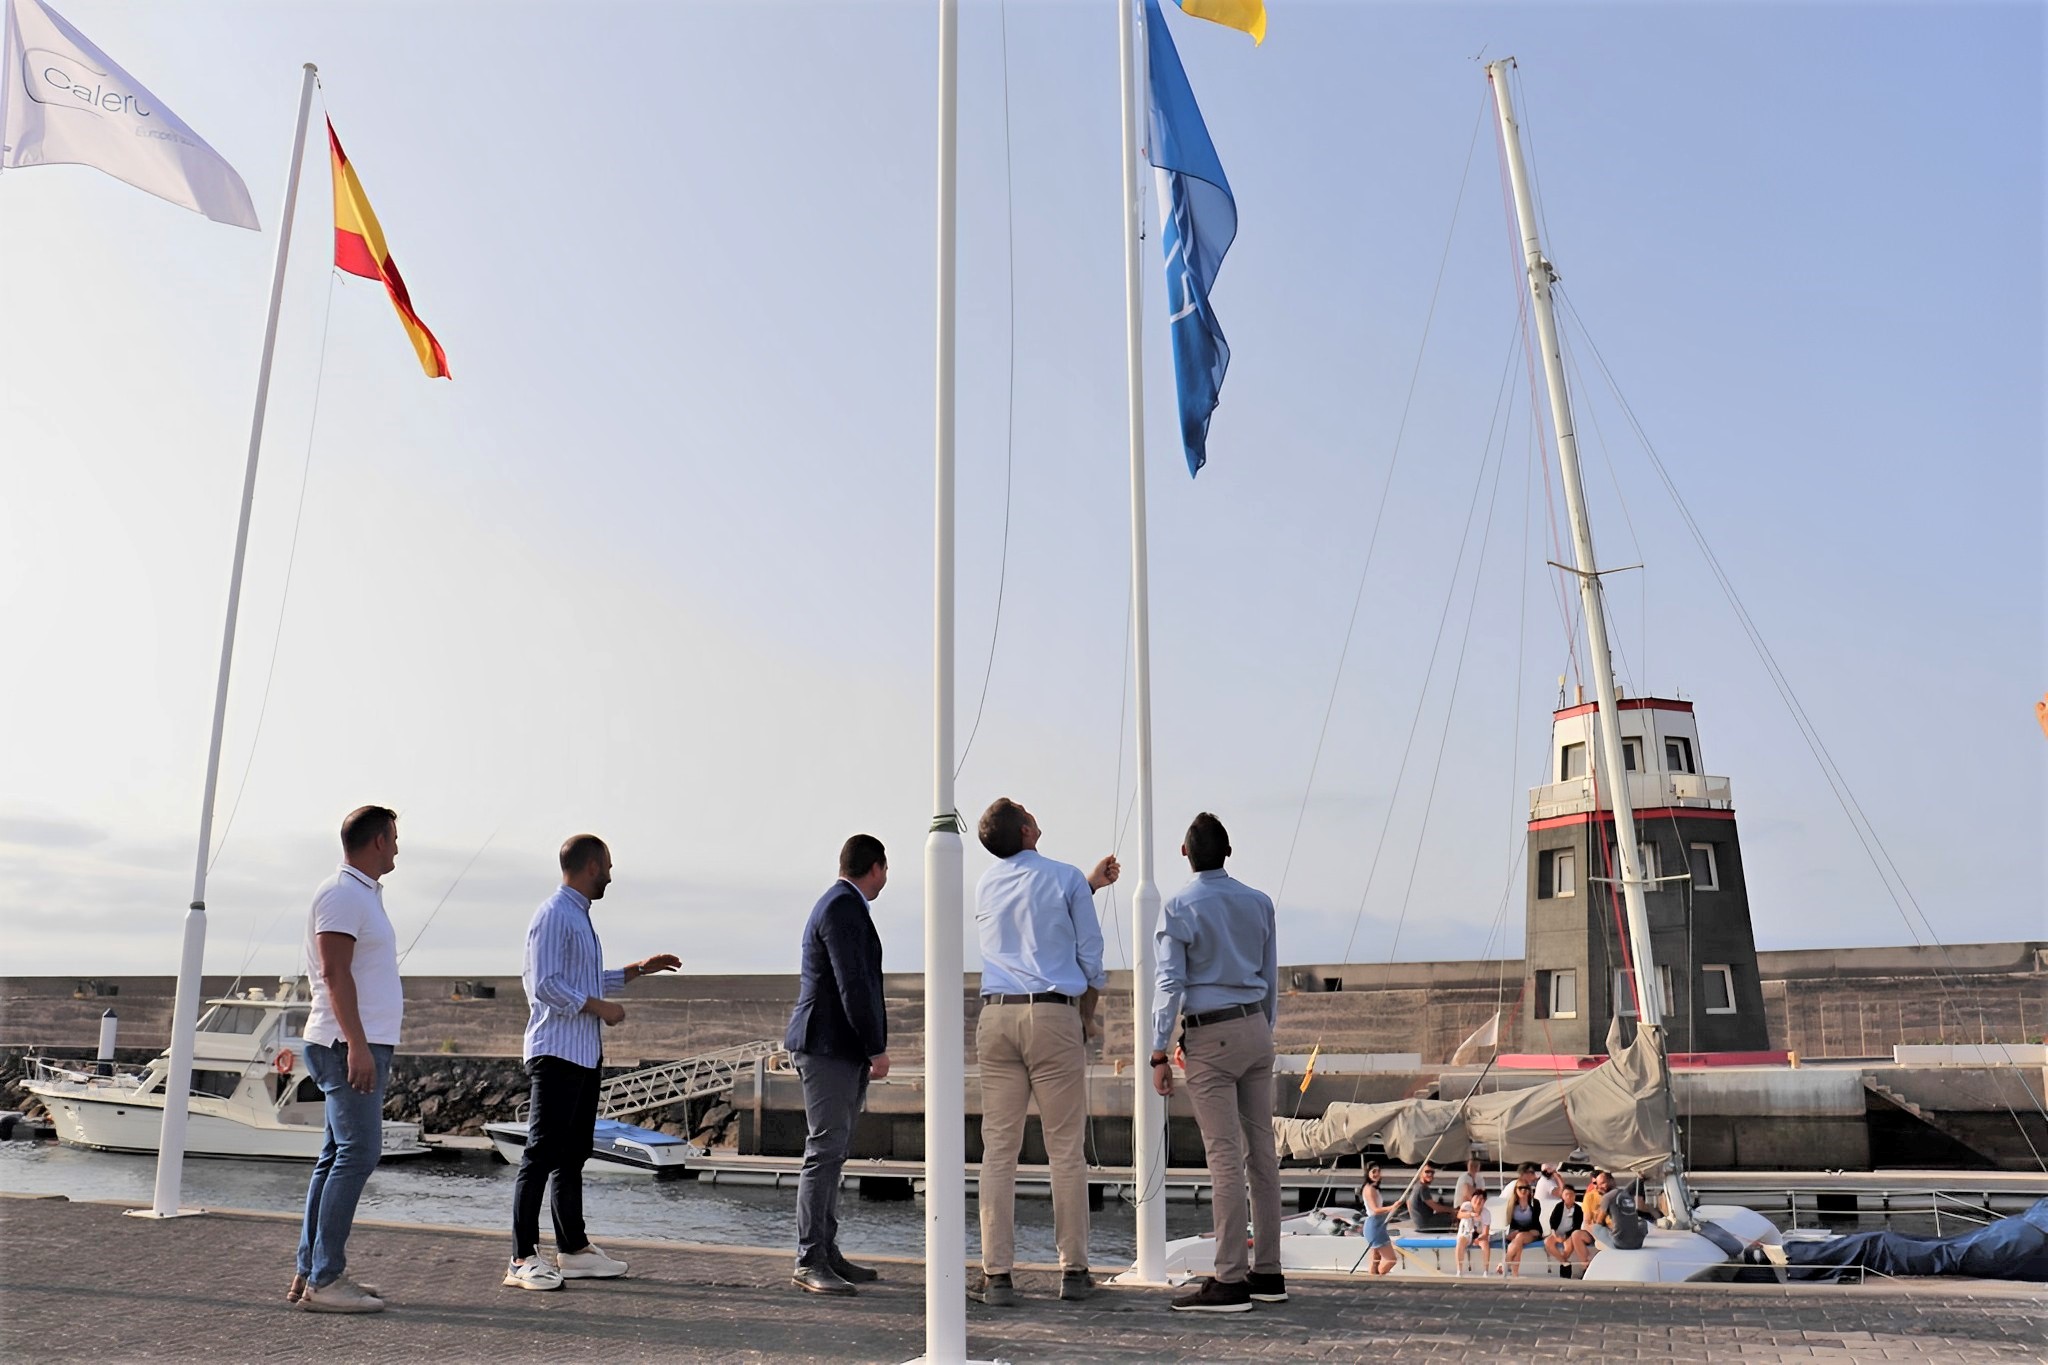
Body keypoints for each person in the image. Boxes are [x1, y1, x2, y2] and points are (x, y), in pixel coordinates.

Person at [504, 835, 679, 1291]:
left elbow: (586, 980)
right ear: (589, 866)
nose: (611, 874)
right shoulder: (553, 914)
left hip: (583, 1055)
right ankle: (522, 1257)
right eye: (607, 866)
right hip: (555, 1051)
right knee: (541, 1154)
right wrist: (599, 1008)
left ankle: (573, 1250)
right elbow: (544, 984)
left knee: (573, 1155)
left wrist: (639, 969)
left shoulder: (579, 918)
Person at [970, 798, 1118, 1307]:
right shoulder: (1066, 877)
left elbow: (1034, 915)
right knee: (1064, 1151)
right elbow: (1090, 959)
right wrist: (1086, 1013)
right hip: (1052, 1016)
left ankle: (997, 1276)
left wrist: (1089, 885)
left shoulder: (987, 884)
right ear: (1028, 829)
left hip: (995, 1015)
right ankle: (1073, 1272)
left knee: (999, 1153)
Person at [1148, 813, 1282, 1314]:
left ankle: (1229, 1281)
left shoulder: (1180, 906)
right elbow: (1269, 975)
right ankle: (1267, 1272)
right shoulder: (1259, 902)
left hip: (1211, 1036)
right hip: (1254, 1027)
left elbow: (1169, 985)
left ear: (1186, 852)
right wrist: (1261, 1030)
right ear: (1228, 852)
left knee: (1224, 1157)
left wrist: (1159, 1050)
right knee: (1262, 1154)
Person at [291, 806, 404, 1314]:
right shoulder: (341, 894)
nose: (399, 847)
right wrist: (357, 1044)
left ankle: (310, 1272)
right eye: (395, 838)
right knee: (358, 1155)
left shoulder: (360, 895)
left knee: (335, 1158)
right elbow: (336, 974)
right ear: (378, 841)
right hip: (345, 1044)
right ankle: (326, 1279)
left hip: (354, 1041)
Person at [784, 835, 892, 1296]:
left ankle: (826, 1251)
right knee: (825, 1149)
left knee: (834, 1151)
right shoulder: (842, 907)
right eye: (886, 870)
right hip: (827, 1045)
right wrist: (876, 1047)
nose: (887, 880)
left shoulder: (841, 905)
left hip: (835, 1046)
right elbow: (854, 985)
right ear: (876, 867)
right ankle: (809, 1259)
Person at [1545, 1179, 1596, 1276]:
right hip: (1557, 1232)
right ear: (1563, 1196)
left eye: (1571, 1194)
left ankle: (1565, 1269)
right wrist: (1554, 1232)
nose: (1569, 1197)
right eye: (1566, 1194)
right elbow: (1553, 1221)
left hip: (1569, 1234)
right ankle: (1564, 1263)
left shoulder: (1578, 1209)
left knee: (1567, 1248)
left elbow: (1576, 1226)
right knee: (1548, 1242)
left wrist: (1565, 1236)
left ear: (1574, 1196)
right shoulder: (1559, 1207)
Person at [1359, 1162, 1400, 1275]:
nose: (1376, 1174)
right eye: (1373, 1171)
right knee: (1391, 1259)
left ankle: (1372, 1279)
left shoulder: (1373, 1188)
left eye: (1378, 1171)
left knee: (1375, 1257)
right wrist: (1392, 1207)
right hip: (1374, 1225)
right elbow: (1375, 1209)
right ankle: (1379, 1277)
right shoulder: (1369, 1189)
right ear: (1367, 1173)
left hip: (1377, 1224)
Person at [1501, 1181, 1544, 1275]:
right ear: (1515, 1190)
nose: (1523, 1190)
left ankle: (1505, 1262)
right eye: (1520, 1188)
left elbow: (1535, 1223)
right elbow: (1510, 1223)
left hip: (1533, 1232)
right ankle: (1514, 1274)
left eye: (1526, 1188)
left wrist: (1519, 1231)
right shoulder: (1511, 1205)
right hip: (1516, 1233)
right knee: (1518, 1244)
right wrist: (1512, 1233)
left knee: (1519, 1237)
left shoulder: (1535, 1204)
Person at [1405, 1160, 1457, 1231]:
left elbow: (1408, 1203)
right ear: (1420, 1173)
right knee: (1454, 1215)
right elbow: (1437, 1208)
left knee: (1446, 1213)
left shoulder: (1416, 1186)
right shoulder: (1423, 1188)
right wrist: (1453, 1210)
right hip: (1426, 1224)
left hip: (1419, 1224)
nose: (1430, 1174)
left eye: (1432, 1172)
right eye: (1427, 1172)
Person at [1455, 1185, 1492, 1275]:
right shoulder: (1466, 1205)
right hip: (1466, 1233)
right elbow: (1459, 1215)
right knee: (1460, 1241)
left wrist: (1479, 1239)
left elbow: (1486, 1232)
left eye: (1481, 1199)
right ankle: (1459, 1271)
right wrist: (1471, 1214)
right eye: (1476, 1198)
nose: (1478, 1201)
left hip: (1478, 1235)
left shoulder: (1486, 1213)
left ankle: (1485, 1271)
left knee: (1485, 1243)